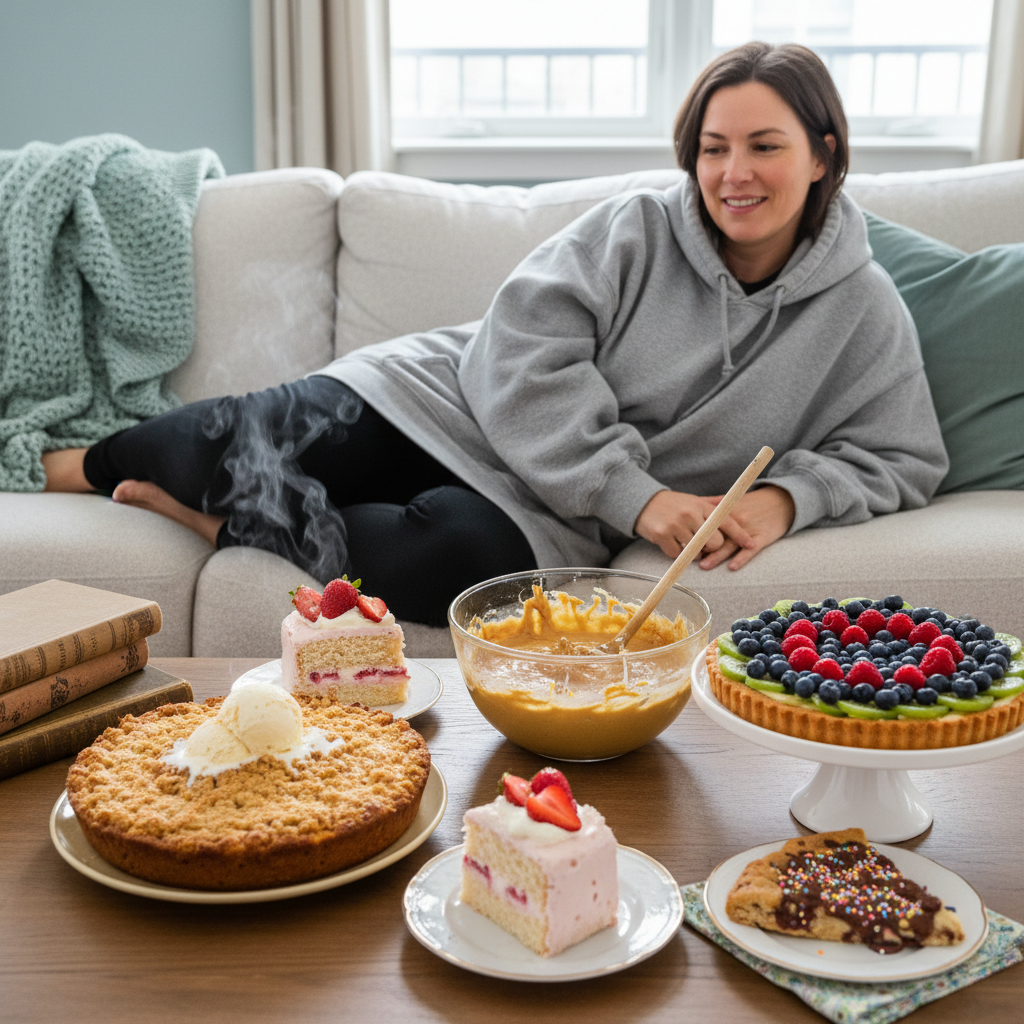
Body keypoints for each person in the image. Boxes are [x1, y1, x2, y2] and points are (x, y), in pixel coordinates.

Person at [42, 42, 948, 627]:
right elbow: (519, 344)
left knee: (458, 563)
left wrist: (788, 499)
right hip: (450, 402)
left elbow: (903, 455)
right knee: (225, 440)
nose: (733, 173)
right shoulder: (635, 229)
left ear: (823, 153)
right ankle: (75, 465)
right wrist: (636, 495)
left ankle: (221, 527)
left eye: (765, 145)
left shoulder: (862, 308)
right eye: (714, 148)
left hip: (556, 508)